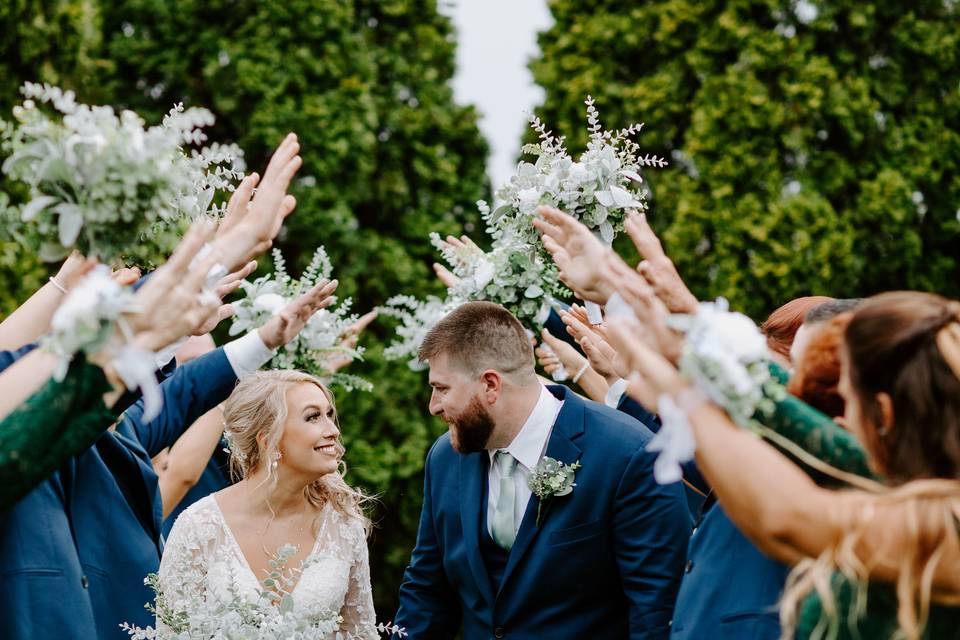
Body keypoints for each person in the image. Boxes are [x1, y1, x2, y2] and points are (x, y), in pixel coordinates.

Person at [394, 301, 690, 639]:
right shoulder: (445, 457)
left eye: (441, 388)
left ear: (491, 385)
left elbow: (656, 610)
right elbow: (427, 591)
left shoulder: (627, 455)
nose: (434, 406)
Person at [157, 370, 377, 638]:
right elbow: (170, 634)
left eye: (329, 415)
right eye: (313, 417)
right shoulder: (199, 526)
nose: (333, 430)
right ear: (267, 439)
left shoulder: (343, 523)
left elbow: (359, 632)